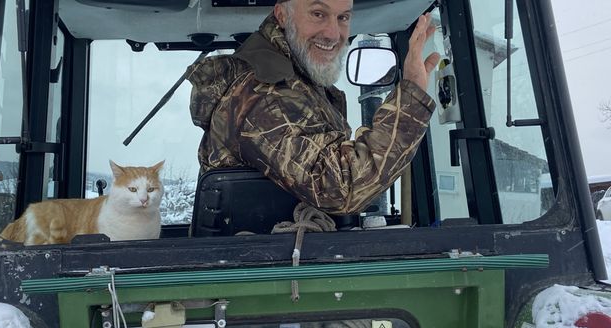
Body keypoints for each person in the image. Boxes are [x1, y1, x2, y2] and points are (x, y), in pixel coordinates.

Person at [186, 0, 440, 215]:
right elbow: (340, 188)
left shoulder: (301, 85)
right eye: (318, 14)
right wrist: (411, 96)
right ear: (282, 15)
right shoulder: (262, 93)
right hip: (264, 267)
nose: (333, 33)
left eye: (343, 17)